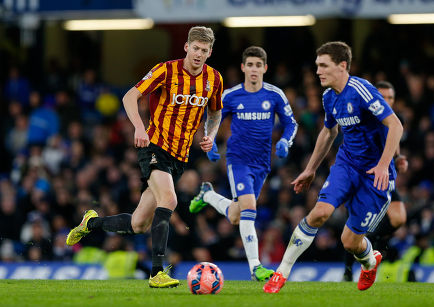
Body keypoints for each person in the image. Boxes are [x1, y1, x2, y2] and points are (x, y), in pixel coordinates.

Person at [66, 26, 223, 288]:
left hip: (180, 156)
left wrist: (211, 134)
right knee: (170, 199)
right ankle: (157, 273)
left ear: (209, 53)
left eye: (204, 50)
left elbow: (215, 112)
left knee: (139, 224)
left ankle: (90, 222)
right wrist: (139, 127)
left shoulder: (214, 79)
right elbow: (130, 96)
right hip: (154, 146)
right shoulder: (166, 70)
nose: (198, 54)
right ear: (186, 47)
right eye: (195, 48)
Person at [263, 41, 403, 293]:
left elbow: (396, 125)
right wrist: (310, 168)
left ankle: (370, 262)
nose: (318, 71)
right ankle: (280, 273)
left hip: (375, 174)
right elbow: (329, 131)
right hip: (347, 164)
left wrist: (383, 165)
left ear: (342, 66)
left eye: (323, 65)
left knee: (350, 241)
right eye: (317, 65)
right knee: (319, 213)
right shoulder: (329, 97)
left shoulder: (362, 90)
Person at [189, 46, 298, 281]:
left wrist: (285, 142)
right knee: (249, 209)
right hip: (238, 160)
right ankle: (255, 267)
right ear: (243, 68)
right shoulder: (231, 95)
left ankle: (207, 195)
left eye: (258, 65)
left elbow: (291, 124)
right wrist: (211, 141)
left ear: (265, 68)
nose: (254, 69)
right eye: (250, 65)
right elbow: (213, 117)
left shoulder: (275, 95)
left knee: (237, 216)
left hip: (262, 164)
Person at [343, 81, 409, 281]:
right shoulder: (365, 118)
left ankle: (368, 240)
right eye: (384, 97)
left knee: (398, 218)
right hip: (365, 174)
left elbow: (393, 145)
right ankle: (348, 269)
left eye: (391, 98)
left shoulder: (394, 120)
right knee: (358, 225)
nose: (387, 101)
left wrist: (398, 159)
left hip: (385, 174)